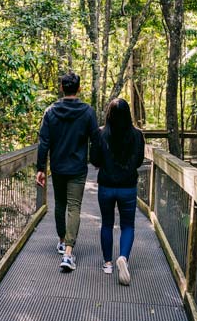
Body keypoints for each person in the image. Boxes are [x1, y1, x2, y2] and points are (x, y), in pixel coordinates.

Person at [36, 72, 99, 272]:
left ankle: (63, 242)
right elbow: (96, 139)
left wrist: (41, 168)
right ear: (79, 88)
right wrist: (97, 162)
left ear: (62, 87)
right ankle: (69, 252)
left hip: (58, 167)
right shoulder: (88, 112)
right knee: (74, 207)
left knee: (60, 204)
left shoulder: (50, 112)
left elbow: (44, 142)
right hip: (78, 168)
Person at [90, 98, 145, 285]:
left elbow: (95, 160)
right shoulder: (137, 135)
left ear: (109, 114)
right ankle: (123, 257)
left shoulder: (100, 134)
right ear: (128, 114)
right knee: (128, 226)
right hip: (128, 187)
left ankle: (107, 263)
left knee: (106, 223)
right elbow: (138, 161)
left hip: (106, 186)